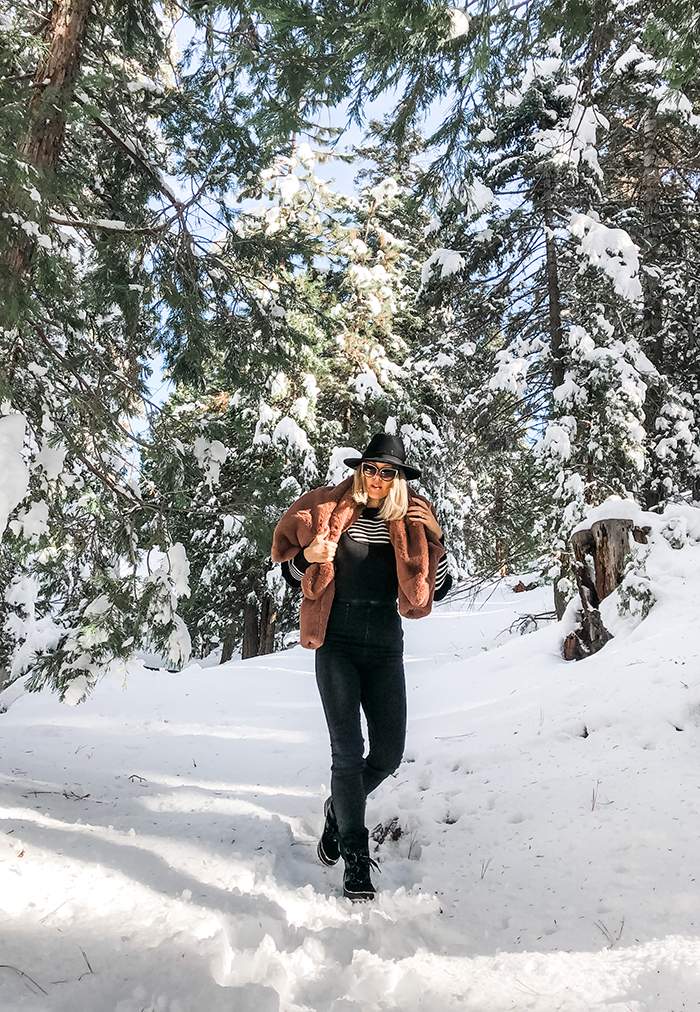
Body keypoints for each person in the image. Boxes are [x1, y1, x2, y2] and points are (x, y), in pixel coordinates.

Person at [271, 433, 452, 900]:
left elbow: (438, 587)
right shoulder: (330, 508)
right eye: (370, 468)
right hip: (337, 640)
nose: (376, 478)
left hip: (385, 643)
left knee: (389, 754)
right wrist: (308, 557)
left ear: (397, 479)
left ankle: (339, 808)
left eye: (386, 472)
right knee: (347, 753)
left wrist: (437, 541)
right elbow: (294, 569)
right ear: (360, 470)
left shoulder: (413, 520)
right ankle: (354, 855)